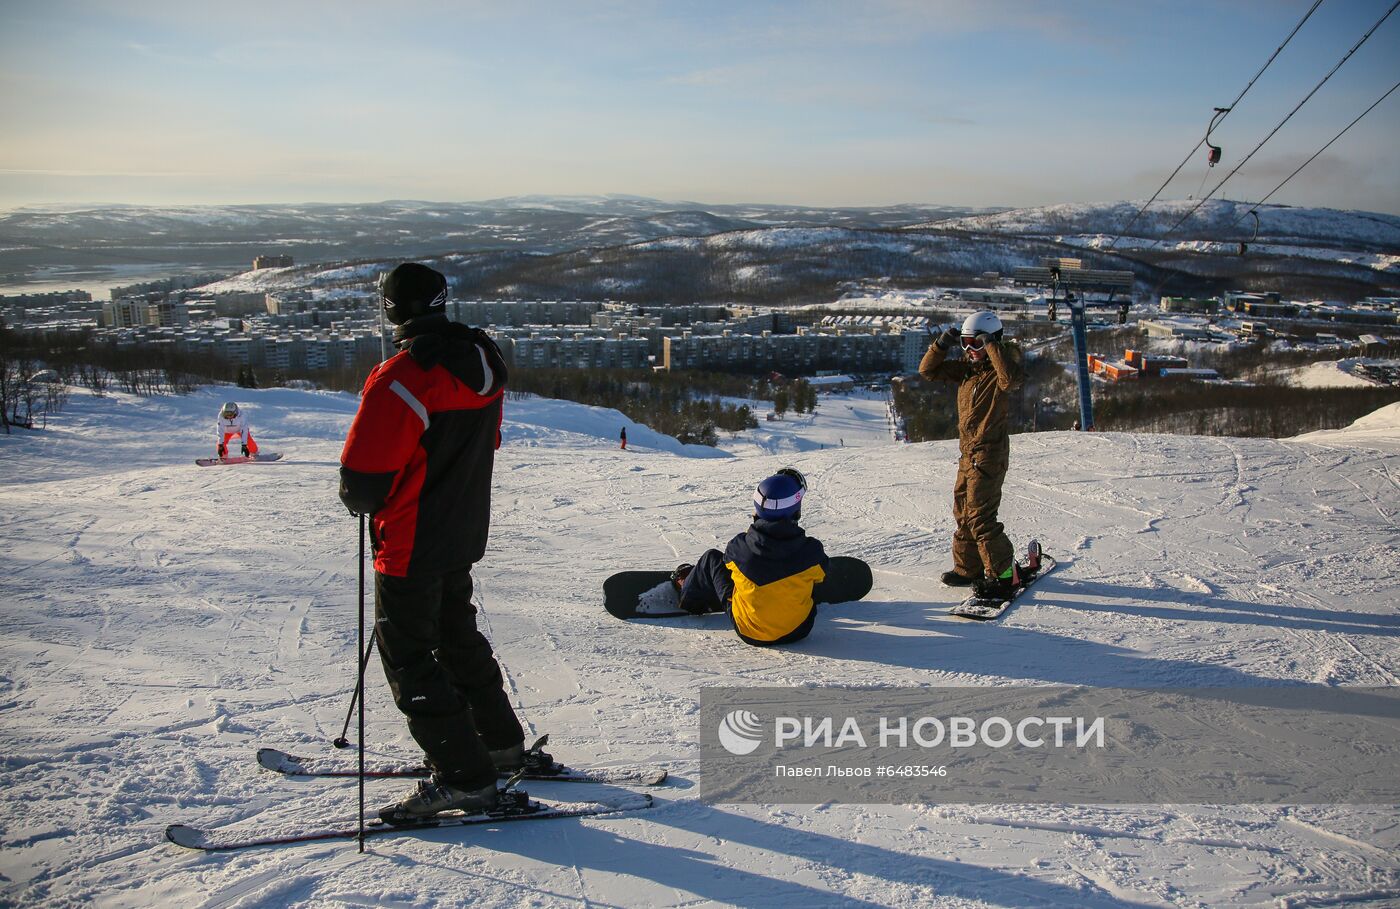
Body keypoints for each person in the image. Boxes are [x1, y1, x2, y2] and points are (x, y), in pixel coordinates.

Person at [338, 262, 531, 823]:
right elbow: (487, 439)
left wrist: (360, 499)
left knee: (408, 653)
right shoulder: (482, 361)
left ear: (392, 310)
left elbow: (365, 478)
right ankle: (497, 744)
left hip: (410, 538)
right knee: (455, 634)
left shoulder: (401, 377)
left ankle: (465, 777)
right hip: (462, 526)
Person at [918, 311, 1026, 601]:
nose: (969, 351)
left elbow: (1010, 380)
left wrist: (991, 347)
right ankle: (968, 569)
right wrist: (942, 343)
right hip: (968, 454)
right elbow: (927, 371)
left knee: (980, 517)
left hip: (989, 454)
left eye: (975, 344)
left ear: (993, 341)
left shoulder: (1000, 370)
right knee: (963, 514)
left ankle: (1003, 577)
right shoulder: (968, 370)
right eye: (965, 343)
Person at [666, 468, 829, 646]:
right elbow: (823, 572)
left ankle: (689, 598)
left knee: (711, 558)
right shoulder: (812, 551)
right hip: (799, 630)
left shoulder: (739, 548)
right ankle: (789, 600)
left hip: (750, 632)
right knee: (814, 571)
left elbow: (728, 563)